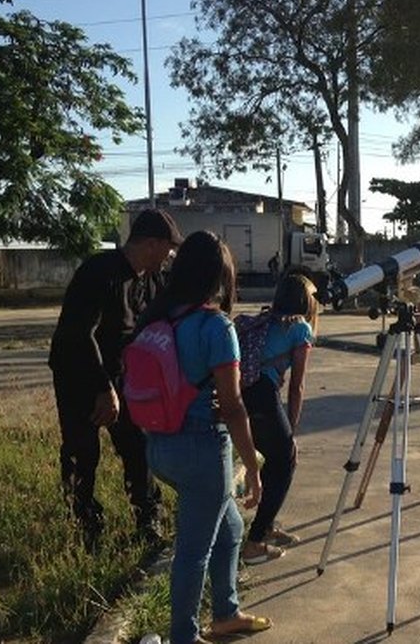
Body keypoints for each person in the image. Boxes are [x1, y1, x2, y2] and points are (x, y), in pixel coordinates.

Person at [140, 230, 271, 644]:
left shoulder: (159, 317)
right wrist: (251, 465)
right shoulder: (215, 326)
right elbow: (232, 407)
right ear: (221, 276)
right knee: (193, 553)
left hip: (159, 446)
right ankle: (184, 636)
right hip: (202, 448)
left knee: (229, 527)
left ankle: (226, 612)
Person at [48, 209, 183, 552]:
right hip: (78, 374)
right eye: (168, 249)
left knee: (137, 446)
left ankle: (147, 517)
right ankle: (85, 524)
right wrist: (102, 388)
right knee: (83, 452)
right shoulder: (100, 271)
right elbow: (78, 333)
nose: (169, 257)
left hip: (121, 377)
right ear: (151, 244)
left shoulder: (151, 280)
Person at [241, 274, 318, 565]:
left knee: (274, 459)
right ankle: (255, 542)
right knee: (286, 459)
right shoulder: (300, 328)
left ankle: (267, 525)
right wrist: (292, 429)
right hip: (263, 393)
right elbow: (297, 385)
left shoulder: (265, 319)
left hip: (242, 394)